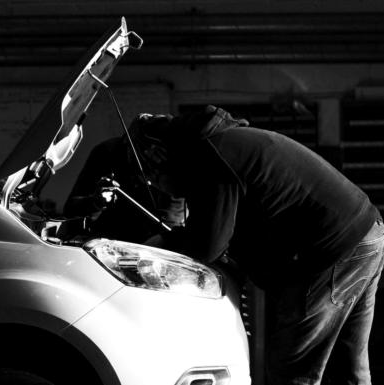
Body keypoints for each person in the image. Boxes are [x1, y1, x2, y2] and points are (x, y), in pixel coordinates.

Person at [131, 105, 384, 385]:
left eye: (153, 176)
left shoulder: (213, 156)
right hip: (367, 233)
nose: (156, 184)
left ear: (161, 154)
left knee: (292, 372)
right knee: (349, 370)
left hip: (332, 250)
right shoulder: (226, 142)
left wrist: (166, 241)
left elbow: (208, 247)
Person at [63, 114, 186, 244]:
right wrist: (95, 202)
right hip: (104, 245)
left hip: (150, 249)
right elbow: (70, 210)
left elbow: (171, 222)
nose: (149, 181)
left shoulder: (173, 166)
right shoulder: (107, 152)